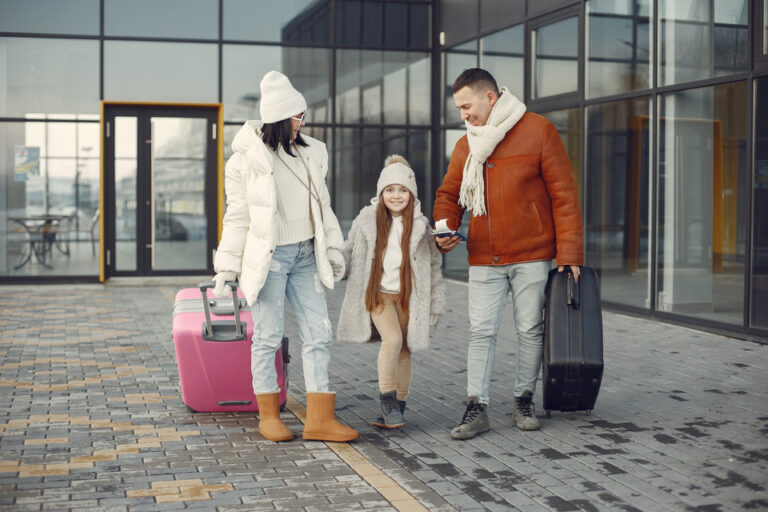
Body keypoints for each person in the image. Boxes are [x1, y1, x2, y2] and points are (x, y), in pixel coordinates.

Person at [433, 68, 583, 439]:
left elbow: (564, 195)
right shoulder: (467, 144)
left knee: (530, 329)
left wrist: (570, 253)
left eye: (467, 106)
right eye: (459, 109)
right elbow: (449, 195)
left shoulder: (538, 130)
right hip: (484, 255)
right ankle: (476, 407)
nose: (463, 115)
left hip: (532, 253)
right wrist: (443, 229)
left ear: (490, 97)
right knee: (480, 331)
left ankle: (523, 399)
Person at [212, 70, 359, 443]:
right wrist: (228, 266)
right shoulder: (246, 160)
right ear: (281, 117)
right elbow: (238, 214)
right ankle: (268, 415)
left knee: (319, 334)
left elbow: (322, 208)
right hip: (271, 259)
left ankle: (319, 419)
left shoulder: (312, 153)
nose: (303, 122)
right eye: (299, 116)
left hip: (307, 255)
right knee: (268, 336)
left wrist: (331, 248)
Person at [337, 155, 445, 428]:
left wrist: (435, 302)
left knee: (405, 349)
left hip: (408, 297)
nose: (396, 196)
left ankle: (398, 407)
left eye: (402, 190)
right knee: (393, 340)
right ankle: (387, 401)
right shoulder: (366, 219)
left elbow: (433, 266)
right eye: (389, 190)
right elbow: (348, 252)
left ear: (411, 193)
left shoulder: (421, 225)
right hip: (379, 294)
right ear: (381, 193)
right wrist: (333, 264)